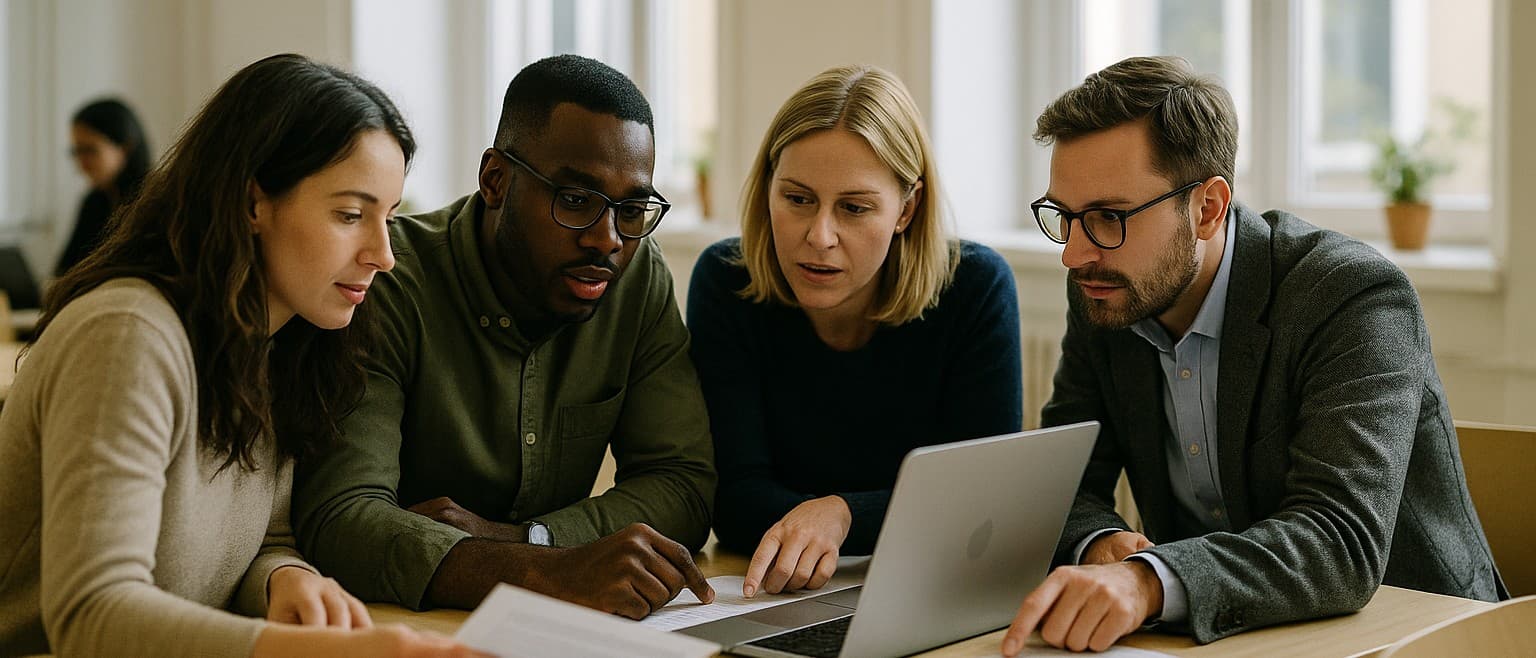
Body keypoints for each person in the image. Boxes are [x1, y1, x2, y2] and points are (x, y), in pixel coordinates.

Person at [999, 56, 1507, 656]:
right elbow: (1062, 483)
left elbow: (1338, 542)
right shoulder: (1108, 287)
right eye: (1065, 217)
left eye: (1109, 217)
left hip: (1419, 635)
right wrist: (1100, 542)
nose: (1074, 254)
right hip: (1225, 640)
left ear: (1208, 208)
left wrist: (1148, 582)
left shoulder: (1349, 295)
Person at [0, 53, 478, 657]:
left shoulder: (277, 344)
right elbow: (91, 613)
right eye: (351, 214)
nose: (383, 254)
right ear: (254, 202)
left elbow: (264, 538)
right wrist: (341, 652)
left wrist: (285, 578)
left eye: (388, 216)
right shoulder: (127, 335)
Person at [292, 54, 717, 621]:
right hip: (401, 630)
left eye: (633, 208)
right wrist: (548, 574)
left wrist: (527, 541)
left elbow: (683, 486)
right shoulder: (387, 280)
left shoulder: (636, 278)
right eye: (575, 201)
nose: (608, 239)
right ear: (495, 180)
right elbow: (340, 518)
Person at [688, 65, 1023, 599]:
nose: (820, 236)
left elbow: (983, 500)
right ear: (769, 189)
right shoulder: (726, 281)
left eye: (854, 208)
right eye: (798, 199)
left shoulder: (974, 288)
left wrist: (844, 514)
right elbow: (733, 501)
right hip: (775, 587)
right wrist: (853, 518)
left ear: (906, 209)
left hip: (931, 589)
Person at [61, 98, 152, 276]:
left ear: (125, 147)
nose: (81, 163)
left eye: (89, 150)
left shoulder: (153, 202)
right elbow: (65, 269)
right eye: (76, 152)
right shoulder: (94, 202)